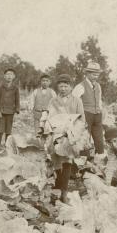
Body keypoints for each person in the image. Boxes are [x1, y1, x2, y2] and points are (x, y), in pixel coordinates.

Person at [45, 74, 85, 203]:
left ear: (71, 87)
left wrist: (76, 133)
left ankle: (64, 192)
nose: (63, 89)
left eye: (66, 86)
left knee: (67, 161)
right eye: (60, 86)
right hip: (56, 134)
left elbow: (81, 119)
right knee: (56, 160)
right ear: (57, 87)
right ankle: (56, 191)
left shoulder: (76, 101)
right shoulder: (53, 101)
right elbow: (49, 117)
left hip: (71, 135)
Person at [72, 61, 104, 156]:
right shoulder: (80, 86)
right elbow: (74, 102)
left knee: (99, 138)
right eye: (94, 74)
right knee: (85, 137)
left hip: (97, 115)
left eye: (97, 74)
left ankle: (100, 158)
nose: (96, 76)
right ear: (87, 74)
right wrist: (78, 117)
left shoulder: (98, 86)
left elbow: (99, 100)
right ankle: (84, 160)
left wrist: (100, 110)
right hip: (86, 115)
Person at [0, 68, 20, 153]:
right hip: (0, 112)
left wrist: (17, 109)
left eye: (11, 74)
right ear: (4, 76)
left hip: (10, 112)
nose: (9, 76)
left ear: (14, 76)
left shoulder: (15, 88)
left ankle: (7, 147)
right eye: (7, 74)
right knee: (0, 130)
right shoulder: (0, 86)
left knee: (8, 131)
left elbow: (17, 100)